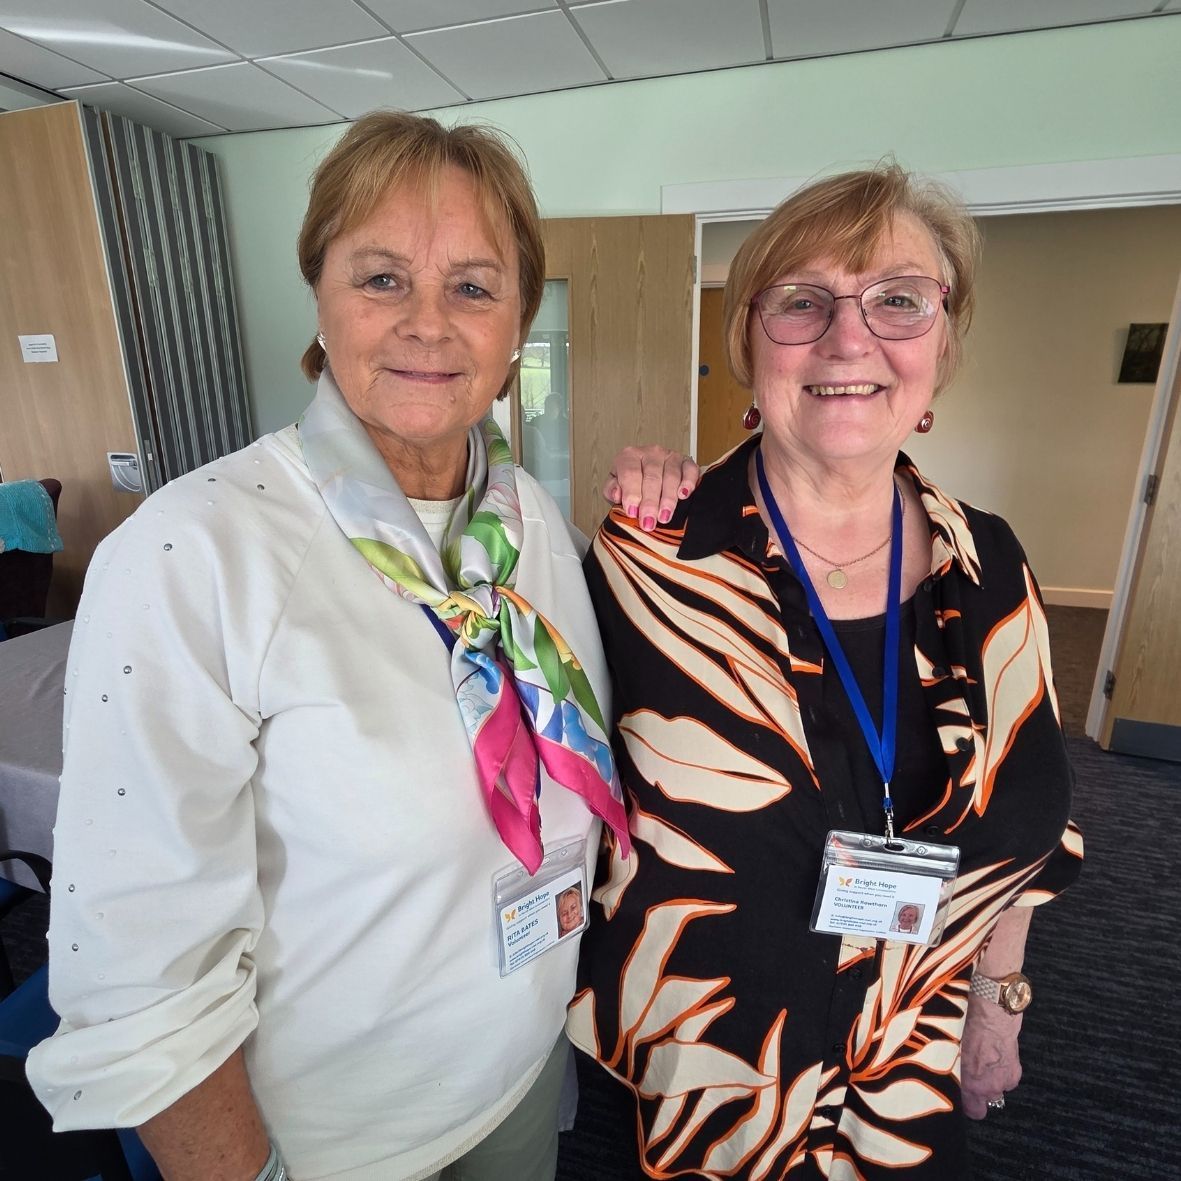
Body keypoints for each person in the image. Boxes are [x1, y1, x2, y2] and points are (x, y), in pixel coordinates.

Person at [27, 111, 695, 1181]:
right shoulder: (192, 551)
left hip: (518, 1073)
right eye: (381, 277)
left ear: (516, 321)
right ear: (321, 300)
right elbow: (139, 961)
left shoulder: (530, 520)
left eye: (473, 286)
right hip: (323, 1137)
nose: (428, 323)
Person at [570, 164, 1083, 1179]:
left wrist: (999, 1002)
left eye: (897, 299)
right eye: (800, 301)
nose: (849, 340)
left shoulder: (990, 563)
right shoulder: (650, 558)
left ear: (941, 342)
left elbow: (1033, 818)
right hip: (713, 1079)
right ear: (746, 342)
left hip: (909, 1061)